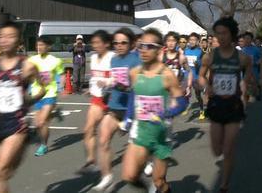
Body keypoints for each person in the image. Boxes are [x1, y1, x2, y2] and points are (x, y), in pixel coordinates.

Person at [0, 21, 46, 193]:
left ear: (19, 41)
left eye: (10, 36)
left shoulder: (28, 66)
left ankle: (24, 142)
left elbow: (42, 87)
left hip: (17, 125)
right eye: (1, 36)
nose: (5, 40)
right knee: (3, 175)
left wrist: (29, 100)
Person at [121, 28, 187, 193]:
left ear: (159, 49)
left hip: (161, 134)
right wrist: (128, 118)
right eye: (141, 45)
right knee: (129, 176)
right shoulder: (135, 73)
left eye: (149, 46)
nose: (144, 50)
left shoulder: (167, 74)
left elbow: (182, 101)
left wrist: (166, 113)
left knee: (159, 181)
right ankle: (148, 189)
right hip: (140, 132)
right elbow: (133, 96)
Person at [199, 17, 253, 193]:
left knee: (228, 149)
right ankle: (224, 161)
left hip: (233, 106)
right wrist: (207, 86)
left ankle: (224, 185)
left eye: (224, 33)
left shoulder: (243, 58)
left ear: (232, 35)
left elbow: (248, 75)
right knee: (216, 151)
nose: (220, 37)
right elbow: (201, 76)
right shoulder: (210, 57)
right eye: (217, 34)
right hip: (216, 105)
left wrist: (245, 84)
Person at [94, 28, 141, 191]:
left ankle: (148, 161)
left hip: (133, 111)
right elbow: (115, 79)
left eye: (123, 43)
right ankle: (107, 177)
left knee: (137, 149)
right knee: (103, 140)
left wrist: (121, 86)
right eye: (115, 43)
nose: (119, 46)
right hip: (115, 108)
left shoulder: (136, 60)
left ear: (132, 43)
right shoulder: (114, 59)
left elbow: (138, 88)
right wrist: (107, 84)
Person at [78, 30, 114, 174]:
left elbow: (119, 79)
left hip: (110, 99)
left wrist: (105, 82)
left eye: (98, 43)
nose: (95, 45)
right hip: (96, 98)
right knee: (88, 130)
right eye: (93, 43)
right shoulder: (93, 57)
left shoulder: (113, 57)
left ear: (106, 44)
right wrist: (91, 89)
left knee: (102, 135)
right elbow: (94, 77)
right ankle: (91, 160)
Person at [29, 36, 64, 157]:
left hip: (50, 93)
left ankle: (43, 145)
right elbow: (28, 75)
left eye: (42, 45)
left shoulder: (55, 60)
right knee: (39, 123)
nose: (39, 47)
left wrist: (62, 89)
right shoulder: (32, 60)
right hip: (37, 94)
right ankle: (54, 115)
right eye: (38, 45)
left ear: (48, 46)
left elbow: (61, 74)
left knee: (42, 121)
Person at [184, 33, 205, 120]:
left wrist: (198, 64)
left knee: (198, 95)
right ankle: (186, 107)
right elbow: (184, 63)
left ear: (197, 41)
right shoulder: (186, 51)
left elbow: (203, 64)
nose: (192, 41)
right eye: (191, 40)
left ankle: (201, 110)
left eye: (194, 40)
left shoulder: (200, 52)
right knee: (185, 94)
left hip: (196, 77)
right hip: (187, 77)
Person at [240, 32, 262, 102]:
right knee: (244, 91)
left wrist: (256, 62)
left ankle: (257, 92)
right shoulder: (242, 50)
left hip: (254, 72)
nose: (246, 40)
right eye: (245, 38)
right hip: (245, 73)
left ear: (251, 39)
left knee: (254, 90)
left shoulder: (256, 50)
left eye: (248, 38)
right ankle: (245, 106)